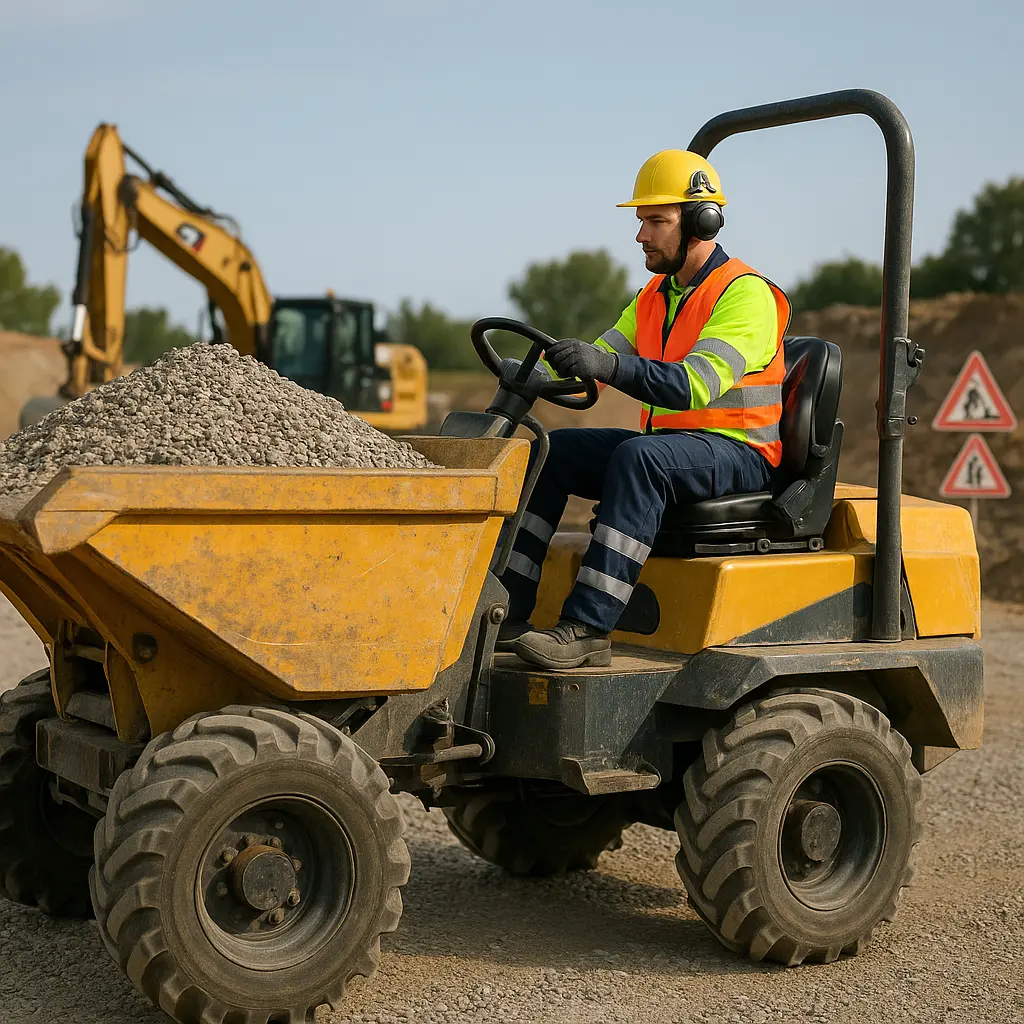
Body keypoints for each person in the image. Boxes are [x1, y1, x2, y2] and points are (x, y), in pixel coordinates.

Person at [500, 149, 792, 670]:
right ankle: (506, 610)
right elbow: (600, 360)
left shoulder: (747, 296)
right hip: (676, 449)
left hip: (740, 453)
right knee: (553, 450)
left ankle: (588, 628)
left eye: (657, 221)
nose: (641, 235)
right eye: (641, 221)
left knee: (640, 459)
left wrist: (608, 365)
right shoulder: (654, 295)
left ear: (702, 222)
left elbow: (692, 385)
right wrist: (533, 371)